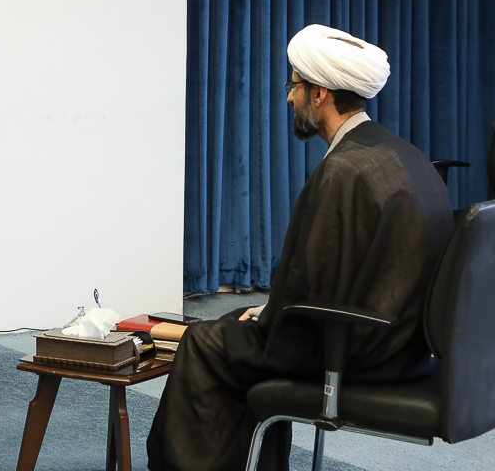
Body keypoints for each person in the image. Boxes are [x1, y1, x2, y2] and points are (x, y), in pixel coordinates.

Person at [145, 24, 455, 471]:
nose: (289, 98)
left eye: (293, 86)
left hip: (357, 354)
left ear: (319, 94)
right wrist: (268, 313)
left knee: (203, 344)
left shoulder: (344, 170)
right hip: (404, 346)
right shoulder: (403, 154)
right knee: (236, 322)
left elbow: (311, 286)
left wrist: (272, 318)